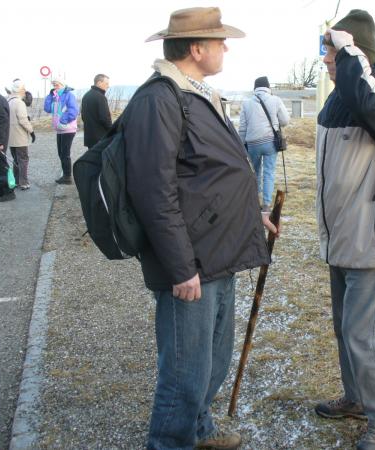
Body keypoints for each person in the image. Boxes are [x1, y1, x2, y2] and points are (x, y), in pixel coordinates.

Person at [125, 7, 278, 449]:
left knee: (212, 361)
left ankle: (199, 432)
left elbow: (211, 174)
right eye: (219, 41)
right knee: (185, 372)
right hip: (191, 260)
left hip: (219, 252)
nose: (226, 47)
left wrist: (253, 215)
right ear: (197, 48)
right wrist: (179, 267)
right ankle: (170, 441)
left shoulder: (198, 94)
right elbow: (154, 192)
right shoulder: (160, 99)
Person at [314, 10, 375, 450]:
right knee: (344, 328)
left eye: (331, 52)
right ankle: (357, 398)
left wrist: (349, 50)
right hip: (341, 238)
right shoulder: (339, 98)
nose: (326, 61)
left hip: (373, 240)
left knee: (364, 334)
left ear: (357, 52)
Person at [238, 76, 289, 211]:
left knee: (254, 172)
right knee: (269, 172)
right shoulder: (275, 100)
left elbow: (242, 128)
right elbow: (285, 121)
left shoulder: (246, 103)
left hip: (252, 143)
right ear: (268, 87)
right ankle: (266, 205)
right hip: (270, 142)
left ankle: (255, 201)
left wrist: (241, 145)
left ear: (255, 88)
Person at [44, 75, 79, 184]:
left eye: (57, 84)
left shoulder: (69, 95)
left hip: (68, 129)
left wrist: (62, 121)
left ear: (62, 85)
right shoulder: (54, 96)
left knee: (65, 154)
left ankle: (68, 177)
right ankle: (66, 175)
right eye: (54, 85)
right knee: (61, 153)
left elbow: (74, 111)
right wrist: (50, 96)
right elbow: (47, 109)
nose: (55, 86)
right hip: (59, 129)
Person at [7, 79, 34, 190]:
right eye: (23, 88)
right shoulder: (19, 102)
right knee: (23, 159)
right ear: (19, 90)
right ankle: (24, 182)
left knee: (16, 159)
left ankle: (17, 180)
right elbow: (23, 120)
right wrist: (32, 131)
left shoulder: (8, 101)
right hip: (20, 137)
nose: (24, 91)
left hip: (11, 137)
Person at [81, 74, 112, 148]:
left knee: (92, 158)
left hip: (89, 137)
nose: (108, 86)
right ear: (99, 83)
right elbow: (105, 118)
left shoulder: (86, 96)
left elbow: (83, 116)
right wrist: (111, 130)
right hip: (101, 137)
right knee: (101, 159)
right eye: (106, 83)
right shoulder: (100, 97)